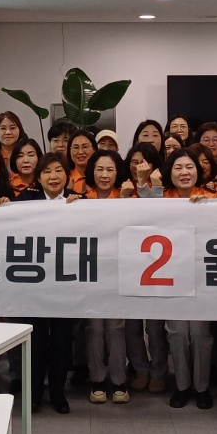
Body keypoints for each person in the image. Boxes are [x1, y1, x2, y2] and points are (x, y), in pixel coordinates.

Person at [14, 153, 82, 414]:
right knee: (36, 339)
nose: (53, 177)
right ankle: (33, 394)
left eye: (59, 171)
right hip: (33, 284)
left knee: (62, 340)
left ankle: (57, 393)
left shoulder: (79, 201)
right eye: (47, 172)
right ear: (38, 177)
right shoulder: (24, 201)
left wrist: (80, 209)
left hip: (65, 284)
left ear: (67, 174)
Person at [162, 149, 212, 410]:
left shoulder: (212, 199)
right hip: (171, 277)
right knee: (178, 333)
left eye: (190, 167)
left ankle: (202, 387)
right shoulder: (160, 200)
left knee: (200, 333)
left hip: (203, 278)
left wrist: (207, 209)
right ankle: (182, 385)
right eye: (178, 167)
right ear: (170, 172)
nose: (184, 172)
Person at [119, 142, 169, 395]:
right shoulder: (123, 188)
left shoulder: (162, 187)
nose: (139, 167)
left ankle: (159, 371)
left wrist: (146, 185)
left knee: (155, 326)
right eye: (134, 162)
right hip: (128, 264)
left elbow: (154, 214)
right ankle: (140, 368)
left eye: (144, 162)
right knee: (131, 326)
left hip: (159, 264)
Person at [83, 150, 129, 403]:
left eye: (110, 169)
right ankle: (97, 379)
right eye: (99, 169)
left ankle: (120, 379)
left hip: (119, 272)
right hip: (90, 272)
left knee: (116, 327)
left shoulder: (127, 196)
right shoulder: (81, 198)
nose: (104, 175)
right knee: (94, 327)